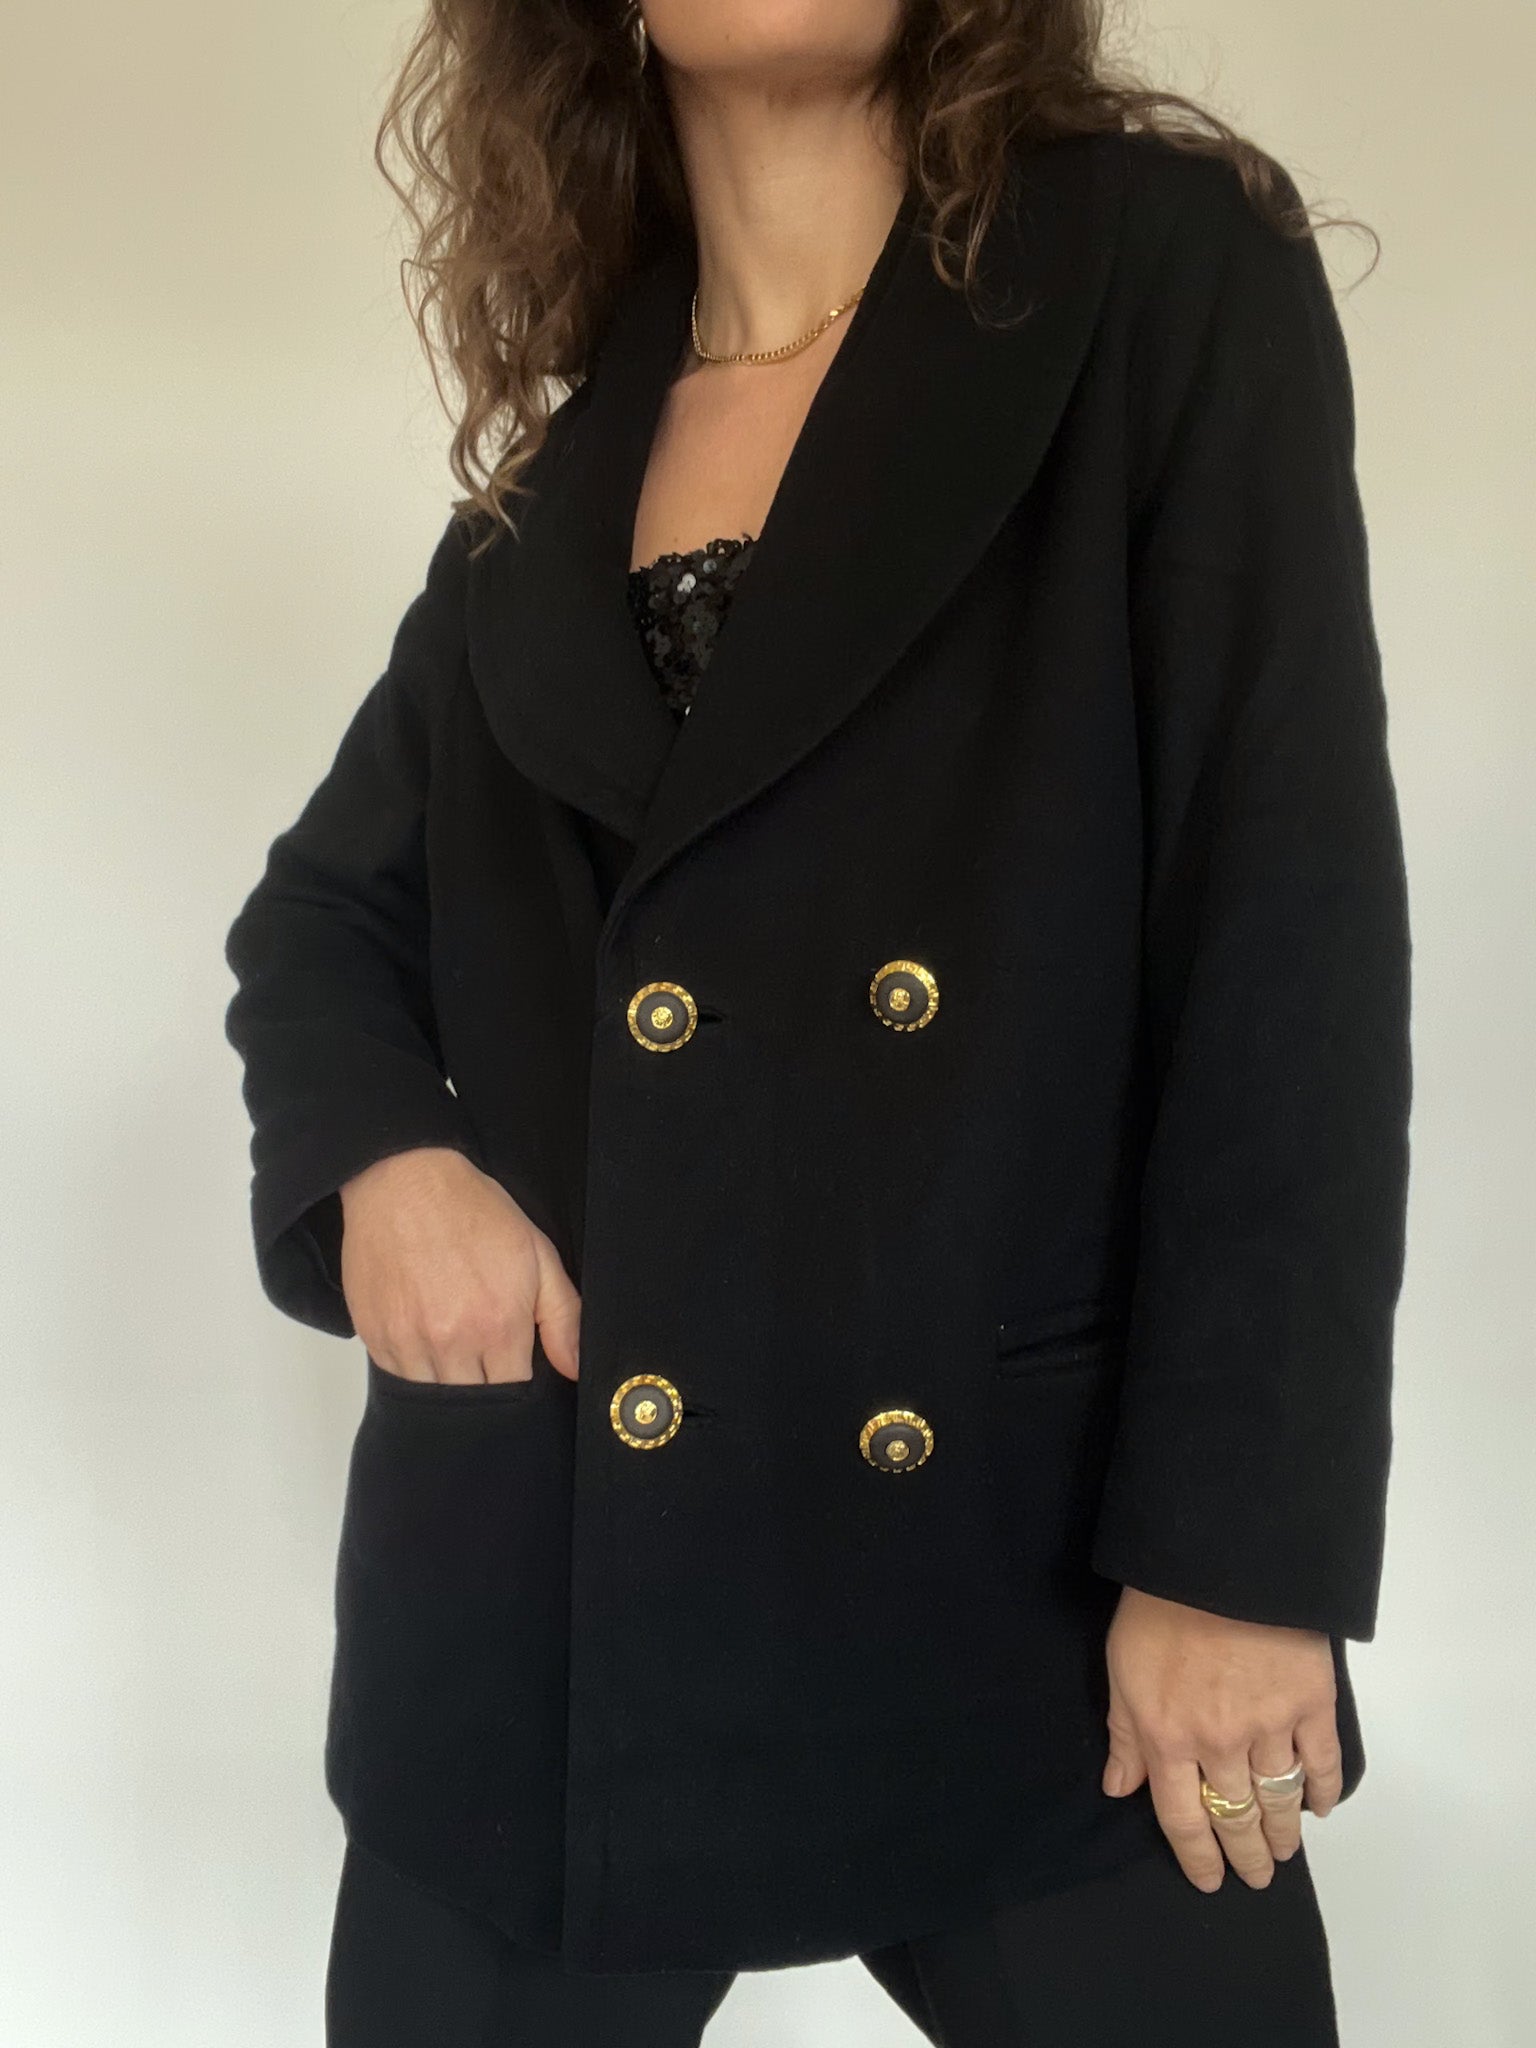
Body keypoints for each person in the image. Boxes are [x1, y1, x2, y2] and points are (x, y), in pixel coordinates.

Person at [221, 1, 1413, 2041]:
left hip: (1026, 1574)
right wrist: (388, 1169)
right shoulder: (562, 466)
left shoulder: (1153, 278)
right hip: (554, 1592)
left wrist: (1236, 1557)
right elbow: (324, 918)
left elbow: (1283, 947)